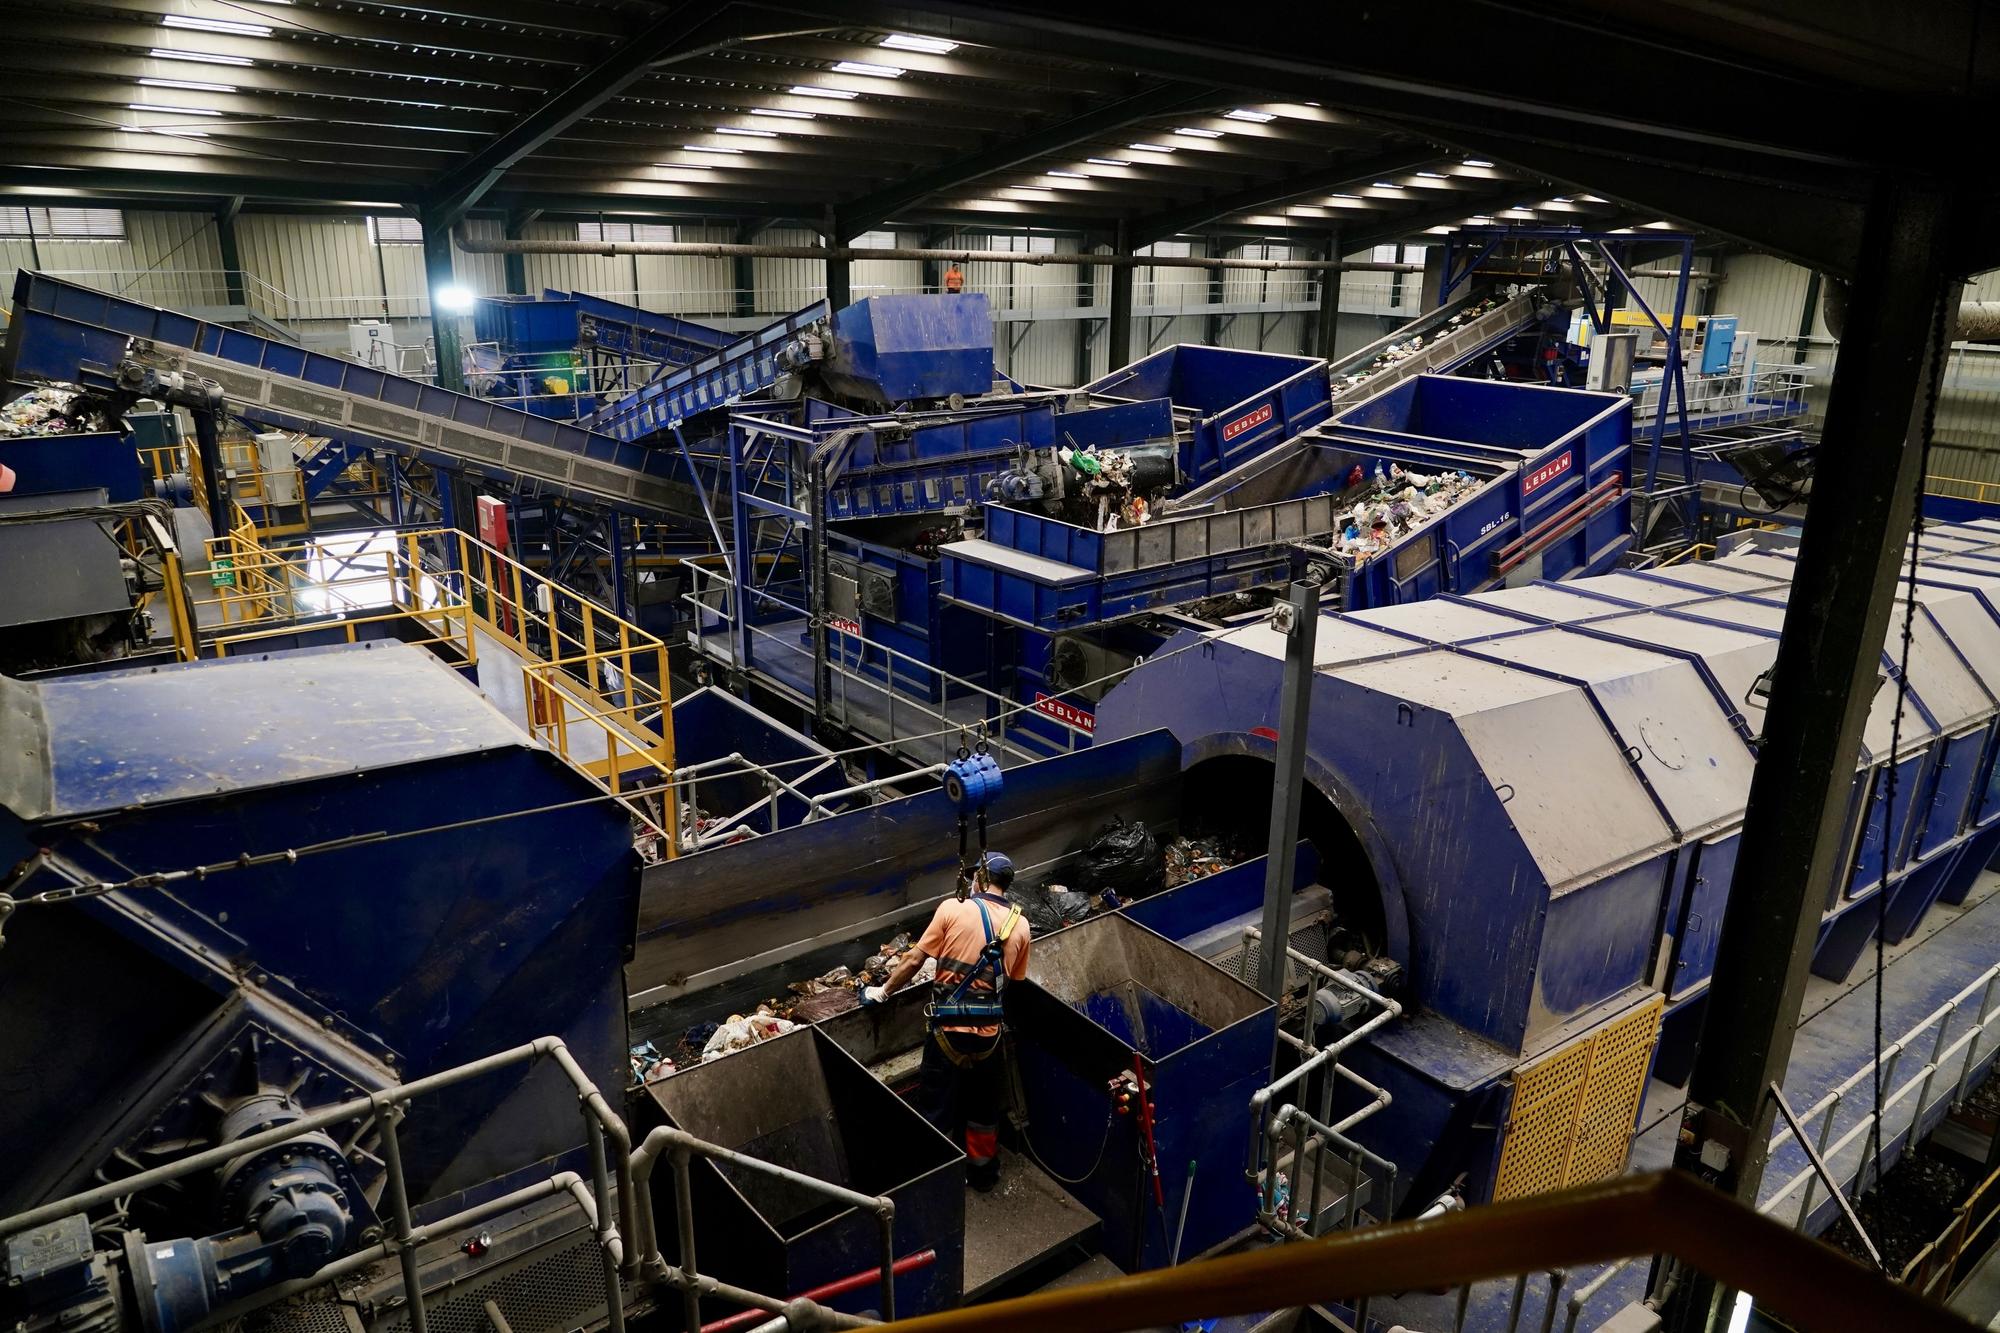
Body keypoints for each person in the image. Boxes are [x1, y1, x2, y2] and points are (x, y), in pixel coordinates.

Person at [862, 851, 1031, 1190]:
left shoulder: (952, 909)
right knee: (983, 1111)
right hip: (989, 1039)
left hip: (947, 1035)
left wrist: (882, 992)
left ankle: (937, 1185)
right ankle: (983, 1175)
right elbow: (1015, 982)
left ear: (980, 879)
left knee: (935, 1110)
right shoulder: (1022, 925)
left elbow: (912, 961)